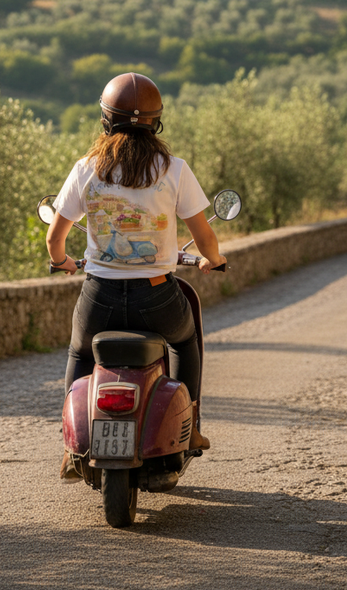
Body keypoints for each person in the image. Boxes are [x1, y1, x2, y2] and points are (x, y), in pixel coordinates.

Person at [45, 72, 226, 474]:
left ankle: (71, 447)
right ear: (156, 121)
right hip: (157, 297)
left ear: (106, 120)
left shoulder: (86, 169)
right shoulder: (174, 169)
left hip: (99, 297)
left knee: (80, 351)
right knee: (184, 341)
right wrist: (212, 259)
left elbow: (54, 240)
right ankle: (191, 426)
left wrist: (62, 263)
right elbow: (205, 236)